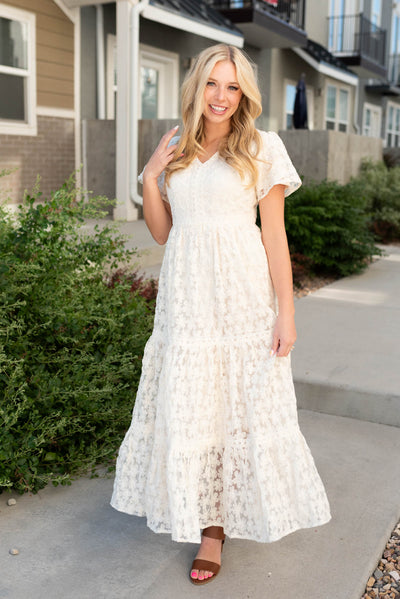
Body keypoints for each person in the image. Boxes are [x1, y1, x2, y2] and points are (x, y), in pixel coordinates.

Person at [110, 43, 331, 586]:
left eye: (233, 86)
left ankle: (216, 532)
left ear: (244, 93)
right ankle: (204, 515)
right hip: (187, 300)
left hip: (240, 296)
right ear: (196, 86)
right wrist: (149, 179)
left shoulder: (262, 146)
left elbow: (275, 237)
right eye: (213, 83)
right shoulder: (175, 148)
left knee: (238, 404)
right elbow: (165, 234)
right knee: (195, 406)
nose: (221, 97)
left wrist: (288, 314)